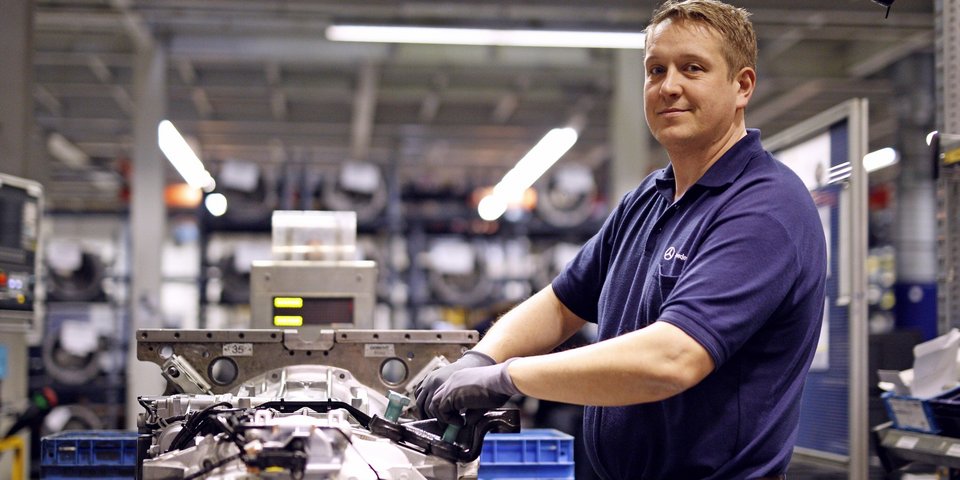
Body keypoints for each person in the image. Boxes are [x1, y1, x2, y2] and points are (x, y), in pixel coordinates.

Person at [415, 0, 827, 478]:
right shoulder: (648, 198)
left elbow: (673, 358)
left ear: (742, 86)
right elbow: (559, 304)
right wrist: (480, 356)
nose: (669, 86)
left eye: (692, 68)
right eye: (656, 70)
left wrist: (505, 377)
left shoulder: (764, 208)